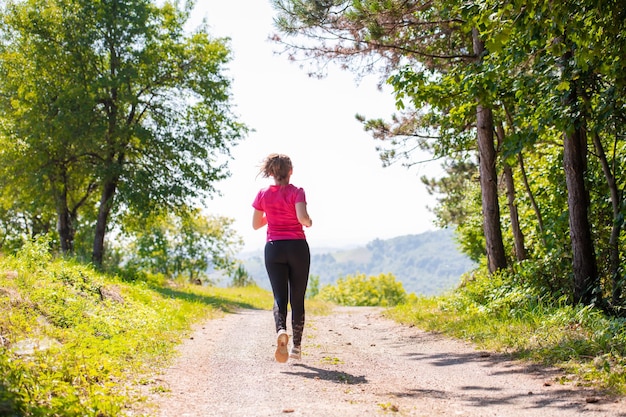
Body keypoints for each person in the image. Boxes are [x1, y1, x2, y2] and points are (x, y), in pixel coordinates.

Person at [252, 153, 313, 363]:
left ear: (270, 172)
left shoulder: (262, 194)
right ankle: (296, 347)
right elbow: (302, 218)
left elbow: (256, 224)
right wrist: (309, 222)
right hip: (297, 247)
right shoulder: (297, 192)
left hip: (273, 248)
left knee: (280, 297)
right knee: (297, 298)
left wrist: (273, 213)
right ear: (290, 172)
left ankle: (281, 330)